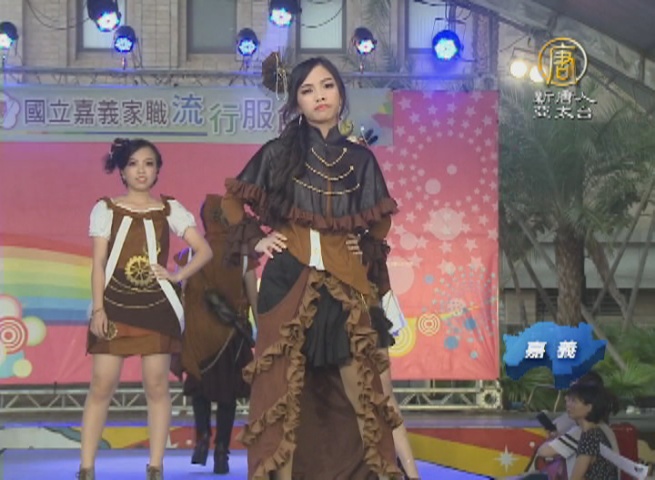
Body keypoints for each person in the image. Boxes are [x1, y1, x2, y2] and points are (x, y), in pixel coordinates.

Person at [221, 57, 403, 479]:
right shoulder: (278, 152)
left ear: (340, 93)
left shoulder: (361, 160)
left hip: (344, 283)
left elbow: (380, 218)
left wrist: (362, 242)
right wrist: (258, 238)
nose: (319, 96)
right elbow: (232, 201)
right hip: (287, 280)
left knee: (361, 389)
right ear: (296, 101)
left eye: (327, 86)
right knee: (282, 392)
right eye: (307, 90)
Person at [78, 138, 213, 480]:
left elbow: (204, 250)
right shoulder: (106, 209)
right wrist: (98, 310)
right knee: (102, 384)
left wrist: (177, 275)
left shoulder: (169, 209)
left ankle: (155, 467)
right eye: (134, 163)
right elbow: (98, 264)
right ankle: (86, 467)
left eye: (149, 164)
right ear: (122, 171)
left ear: (157, 171)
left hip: (156, 307)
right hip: (114, 304)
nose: (141, 170)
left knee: (156, 385)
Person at [173, 194, 259, 475]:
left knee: (200, 389)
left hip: (198, 336)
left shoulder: (189, 255)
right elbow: (253, 298)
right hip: (229, 337)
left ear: (204, 219)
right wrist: (262, 331)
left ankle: (201, 439)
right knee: (227, 395)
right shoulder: (242, 255)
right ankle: (222, 450)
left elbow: (179, 298)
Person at [534, 372, 620, 479]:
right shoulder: (595, 432)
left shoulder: (589, 437)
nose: (568, 404)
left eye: (574, 401)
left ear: (589, 407)